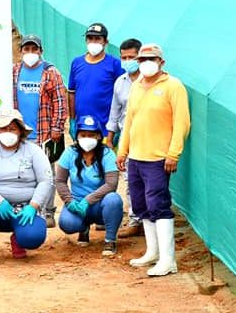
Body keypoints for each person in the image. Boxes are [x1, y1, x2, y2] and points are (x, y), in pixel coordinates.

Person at [118, 44, 191, 277]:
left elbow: (182, 122)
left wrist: (173, 153)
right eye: (142, 59)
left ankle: (168, 260)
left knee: (158, 204)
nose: (145, 63)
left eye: (151, 59)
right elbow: (129, 120)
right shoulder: (137, 86)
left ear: (161, 62)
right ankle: (152, 251)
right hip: (136, 157)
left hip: (158, 158)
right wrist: (123, 150)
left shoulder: (173, 87)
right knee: (140, 205)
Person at [0, 108, 52, 267]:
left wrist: (33, 206)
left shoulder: (33, 151)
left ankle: (19, 240)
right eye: (3, 128)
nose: (7, 132)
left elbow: (46, 181)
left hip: (26, 208)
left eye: (12, 128)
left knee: (33, 237)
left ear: (21, 131)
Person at [12, 34, 67, 229]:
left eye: (34, 49)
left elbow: (60, 101)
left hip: (43, 134)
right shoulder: (14, 71)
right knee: (23, 172)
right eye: (26, 49)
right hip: (20, 134)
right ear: (21, 52)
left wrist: (57, 128)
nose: (30, 53)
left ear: (40, 51)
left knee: (46, 173)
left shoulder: (50, 72)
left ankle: (48, 211)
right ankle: (28, 208)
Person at [55, 116, 123, 256]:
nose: (87, 138)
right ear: (77, 136)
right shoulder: (69, 153)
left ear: (98, 136)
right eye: (83, 135)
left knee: (114, 200)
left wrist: (88, 200)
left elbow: (112, 184)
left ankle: (110, 240)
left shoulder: (107, 153)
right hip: (78, 203)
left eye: (91, 135)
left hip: (100, 204)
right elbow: (60, 181)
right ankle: (83, 228)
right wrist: (69, 201)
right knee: (66, 223)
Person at [105, 38, 143, 239]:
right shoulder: (120, 83)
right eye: (124, 57)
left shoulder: (148, 81)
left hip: (148, 138)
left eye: (132, 57)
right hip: (127, 140)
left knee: (150, 181)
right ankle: (135, 219)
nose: (128, 61)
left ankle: (150, 219)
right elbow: (114, 112)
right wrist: (110, 138)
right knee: (130, 180)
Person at [67, 23, 123, 138]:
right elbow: (72, 93)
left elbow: (121, 95)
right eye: (90, 38)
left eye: (97, 39)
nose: (93, 42)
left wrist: (116, 126)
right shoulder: (76, 63)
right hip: (82, 129)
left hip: (105, 130)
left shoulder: (114, 64)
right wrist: (72, 120)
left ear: (106, 42)